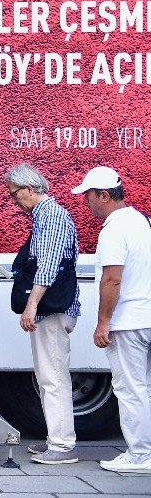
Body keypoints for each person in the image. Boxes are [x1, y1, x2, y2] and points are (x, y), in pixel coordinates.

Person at [72, 166, 151, 474]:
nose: (86, 202)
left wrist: (103, 321)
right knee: (144, 387)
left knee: (130, 389)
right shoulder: (141, 221)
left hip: (128, 320)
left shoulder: (113, 229)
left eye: (89, 195)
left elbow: (112, 279)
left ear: (104, 195)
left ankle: (140, 454)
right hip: (146, 315)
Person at [5, 163, 81, 465]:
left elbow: (48, 266)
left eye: (14, 195)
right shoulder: (46, 216)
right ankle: (56, 439)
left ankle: (62, 446)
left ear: (29, 188)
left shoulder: (51, 216)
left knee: (53, 377)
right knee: (49, 374)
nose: (14, 201)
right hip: (55, 308)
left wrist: (31, 305)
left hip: (51, 310)